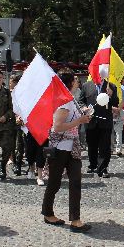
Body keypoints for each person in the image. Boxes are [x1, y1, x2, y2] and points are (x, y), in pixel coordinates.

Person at [42, 68, 92, 233]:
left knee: (76, 182)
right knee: (55, 182)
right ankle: (48, 212)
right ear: (70, 83)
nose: (78, 81)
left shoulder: (71, 99)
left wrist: (83, 114)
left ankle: (75, 220)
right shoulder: (64, 102)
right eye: (76, 79)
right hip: (60, 148)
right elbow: (57, 127)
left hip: (72, 148)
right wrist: (80, 120)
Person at [80, 75, 119, 178]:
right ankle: (92, 165)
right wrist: (84, 108)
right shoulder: (86, 85)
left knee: (105, 146)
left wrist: (111, 95)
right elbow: (81, 101)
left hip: (105, 122)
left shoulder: (111, 86)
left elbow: (116, 102)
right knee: (91, 145)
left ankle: (103, 168)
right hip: (91, 121)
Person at [9, 74, 25, 176]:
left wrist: (20, 117)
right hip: (9, 121)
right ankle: (14, 161)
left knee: (20, 144)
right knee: (11, 143)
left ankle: (18, 163)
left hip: (19, 122)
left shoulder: (22, 94)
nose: (11, 84)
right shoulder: (7, 93)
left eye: (13, 82)